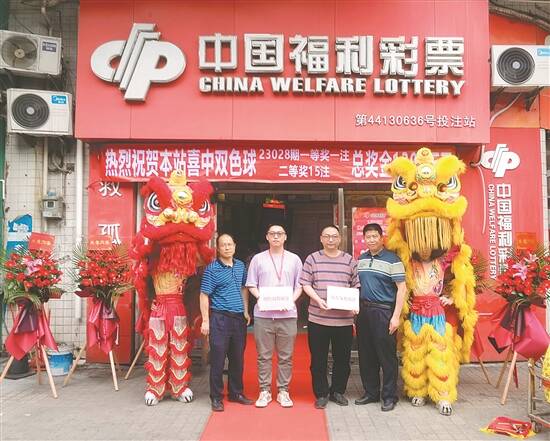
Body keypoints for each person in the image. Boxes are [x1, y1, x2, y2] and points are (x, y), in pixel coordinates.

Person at [300, 225, 359, 409]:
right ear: (321, 238)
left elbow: (356, 285)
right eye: (327, 236)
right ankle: (321, 393)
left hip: (343, 320)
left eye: (334, 236)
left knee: (342, 359)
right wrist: (318, 300)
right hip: (318, 318)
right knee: (318, 359)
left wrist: (354, 304)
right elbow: (305, 284)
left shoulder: (349, 260)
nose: (331, 240)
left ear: (340, 239)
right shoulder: (312, 259)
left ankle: (338, 391)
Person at [246, 224, 303, 408]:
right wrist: (261, 297)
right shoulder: (258, 259)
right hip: (264, 315)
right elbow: (251, 284)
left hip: (287, 314)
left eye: (279, 234)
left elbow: (300, 285)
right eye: (272, 234)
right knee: (264, 356)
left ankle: (283, 391)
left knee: (286, 356)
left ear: (285, 237)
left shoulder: (294, 259)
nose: (276, 237)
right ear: (267, 237)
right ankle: (264, 391)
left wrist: (291, 300)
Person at [355, 223, 406, 412]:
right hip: (364, 311)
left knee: (387, 356)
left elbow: (402, 289)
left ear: (381, 237)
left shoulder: (393, 260)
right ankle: (371, 392)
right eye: (368, 237)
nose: (371, 240)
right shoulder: (361, 259)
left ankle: (389, 396)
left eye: (374, 236)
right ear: (364, 239)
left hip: (384, 311)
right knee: (366, 354)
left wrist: (396, 317)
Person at [200, 233, 253, 412]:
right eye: (223, 245)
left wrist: (245, 310)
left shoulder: (240, 266)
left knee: (237, 358)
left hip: (238, 318)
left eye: (230, 244)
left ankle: (236, 393)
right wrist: (205, 320)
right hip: (220, 318)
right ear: (218, 248)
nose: (227, 247)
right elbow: (204, 295)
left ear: (235, 246)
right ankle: (216, 397)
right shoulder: (212, 269)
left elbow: (244, 288)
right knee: (218, 359)